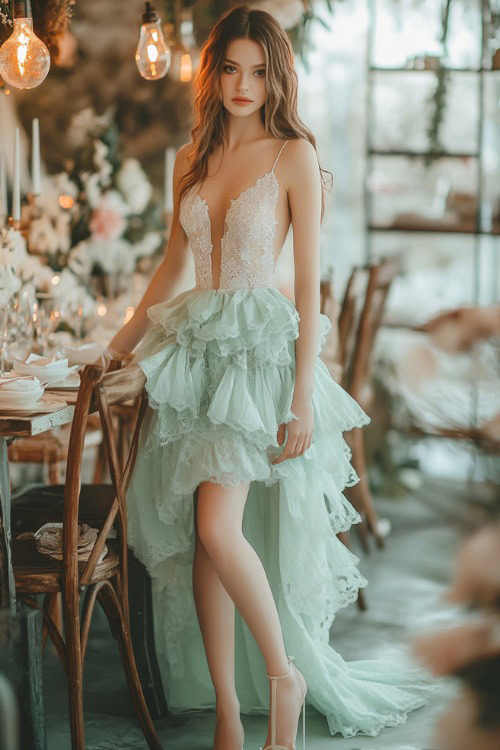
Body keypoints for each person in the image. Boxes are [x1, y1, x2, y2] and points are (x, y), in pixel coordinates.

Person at [104, 5, 435, 749]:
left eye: (258, 71)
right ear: (212, 71)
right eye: (230, 68)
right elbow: (170, 267)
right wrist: (119, 351)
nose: (243, 84)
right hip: (195, 356)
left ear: (276, 75)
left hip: (257, 361)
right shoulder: (194, 153)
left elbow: (311, 283)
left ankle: (284, 675)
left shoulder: (294, 156)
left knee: (219, 526)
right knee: (203, 535)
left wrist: (300, 400)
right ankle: (227, 716)